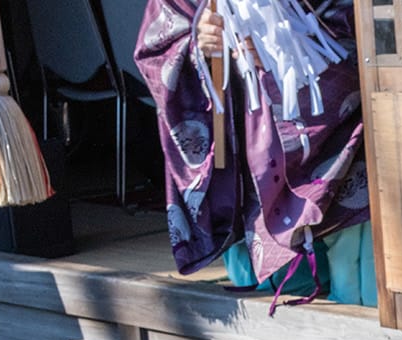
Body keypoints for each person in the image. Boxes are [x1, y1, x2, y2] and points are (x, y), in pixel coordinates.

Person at [135, 0, 370, 306]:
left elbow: (366, 25)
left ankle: (355, 306)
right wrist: (198, 43)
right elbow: (156, 48)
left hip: (331, 127)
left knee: (352, 268)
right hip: (243, 128)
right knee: (265, 286)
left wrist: (292, 44)